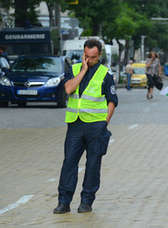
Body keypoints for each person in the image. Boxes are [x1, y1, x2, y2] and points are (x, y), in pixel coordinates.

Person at [53, 39, 118, 214]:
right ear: (83, 54)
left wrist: (105, 122)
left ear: (100, 55)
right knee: (69, 163)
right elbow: (68, 89)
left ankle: (86, 201)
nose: (90, 60)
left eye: (94, 57)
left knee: (92, 165)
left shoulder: (106, 74)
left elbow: (112, 102)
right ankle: (64, 202)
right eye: (87, 56)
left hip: (96, 126)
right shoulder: (73, 69)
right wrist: (83, 70)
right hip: (75, 124)